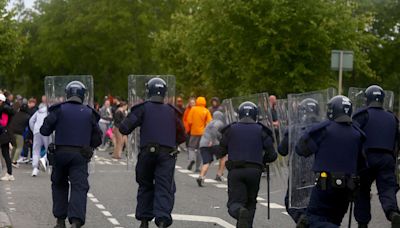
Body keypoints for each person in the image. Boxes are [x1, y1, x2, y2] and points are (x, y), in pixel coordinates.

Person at [119, 77, 185, 228]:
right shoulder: (172, 112)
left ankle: (144, 220)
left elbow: (124, 128)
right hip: (167, 153)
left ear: (149, 91)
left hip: (147, 152)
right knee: (164, 186)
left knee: (145, 184)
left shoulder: (142, 108)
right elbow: (182, 135)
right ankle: (162, 220)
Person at [295, 95, 365, 227]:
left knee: (312, 219)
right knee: (334, 220)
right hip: (348, 187)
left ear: (332, 110)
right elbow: (362, 164)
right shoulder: (357, 134)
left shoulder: (324, 129)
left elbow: (301, 150)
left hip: (325, 185)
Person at [40, 81, 102, 228]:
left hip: (60, 153)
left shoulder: (59, 109)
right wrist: (89, 144)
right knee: (79, 187)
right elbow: (98, 138)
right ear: (82, 95)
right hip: (80, 155)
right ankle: (75, 221)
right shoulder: (89, 112)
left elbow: (44, 130)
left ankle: (60, 221)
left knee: (59, 185)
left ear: (67, 94)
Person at [220, 101, 277, 228]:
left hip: (236, 170)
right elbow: (272, 155)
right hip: (255, 171)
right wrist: (262, 160)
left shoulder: (231, 129)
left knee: (234, 204)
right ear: (255, 114)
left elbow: (221, 151)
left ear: (239, 114)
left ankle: (239, 211)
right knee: (251, 203)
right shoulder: (262, 130)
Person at [353, 85, 400, 228]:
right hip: (387, 159)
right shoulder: (392, 117)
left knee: (362, 190)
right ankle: (392, 213)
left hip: (366, 158)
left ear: (367, 99)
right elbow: (397, 141)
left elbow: (354, 136)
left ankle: (362, 223)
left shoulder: (362, 115)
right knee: (387, 189)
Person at [278, 98, 321, 227]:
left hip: (297, 171)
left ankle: (301, 218)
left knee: (291, 201)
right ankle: (308, 221)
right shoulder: (323, 128)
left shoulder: (293, 128)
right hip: (319, 171)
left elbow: (282, 150)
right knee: (316, 201)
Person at [196, 111, 227, 186]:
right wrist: (216, 139)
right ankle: (219, 175)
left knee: (206, 162)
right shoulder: (219, 123)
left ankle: (201, 176)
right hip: (213, 144)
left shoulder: (209, 123)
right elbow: (214, 131)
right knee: (223, 156)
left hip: (203, 144)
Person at [187, 97, 212, 172]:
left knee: (191, 148)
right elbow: (210, 122)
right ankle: (197, 168)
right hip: (203, 133)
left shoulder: (193, 109)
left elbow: (189, 121)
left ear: (197, 101)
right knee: (199, 150)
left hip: (194, 132)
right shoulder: (206, 111)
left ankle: (192, 160)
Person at [29, 103, 50, 176]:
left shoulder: (37, 112)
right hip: (46, 132)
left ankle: (35, 168)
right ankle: (44, 159)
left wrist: (33, 129)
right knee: (49, 149)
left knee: (36, 150)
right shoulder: (48, 112)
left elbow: (31, 121)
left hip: (37, 132)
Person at [10, 103, 31, 167]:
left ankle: (11, 159)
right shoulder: (27, 116)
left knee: (14, 146)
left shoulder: (16, 113)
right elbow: (29, 126)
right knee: (19, 147)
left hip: (11, 131)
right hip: (19, 132)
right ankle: (14, 161)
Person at [0, 93, 15, 181]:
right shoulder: (5, 108)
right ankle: (9, 173)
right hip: (4, 134)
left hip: (4, 134)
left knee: (5, 154)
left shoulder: (4, 109)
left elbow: (3, 123)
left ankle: (9, 173)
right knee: (5, 154)